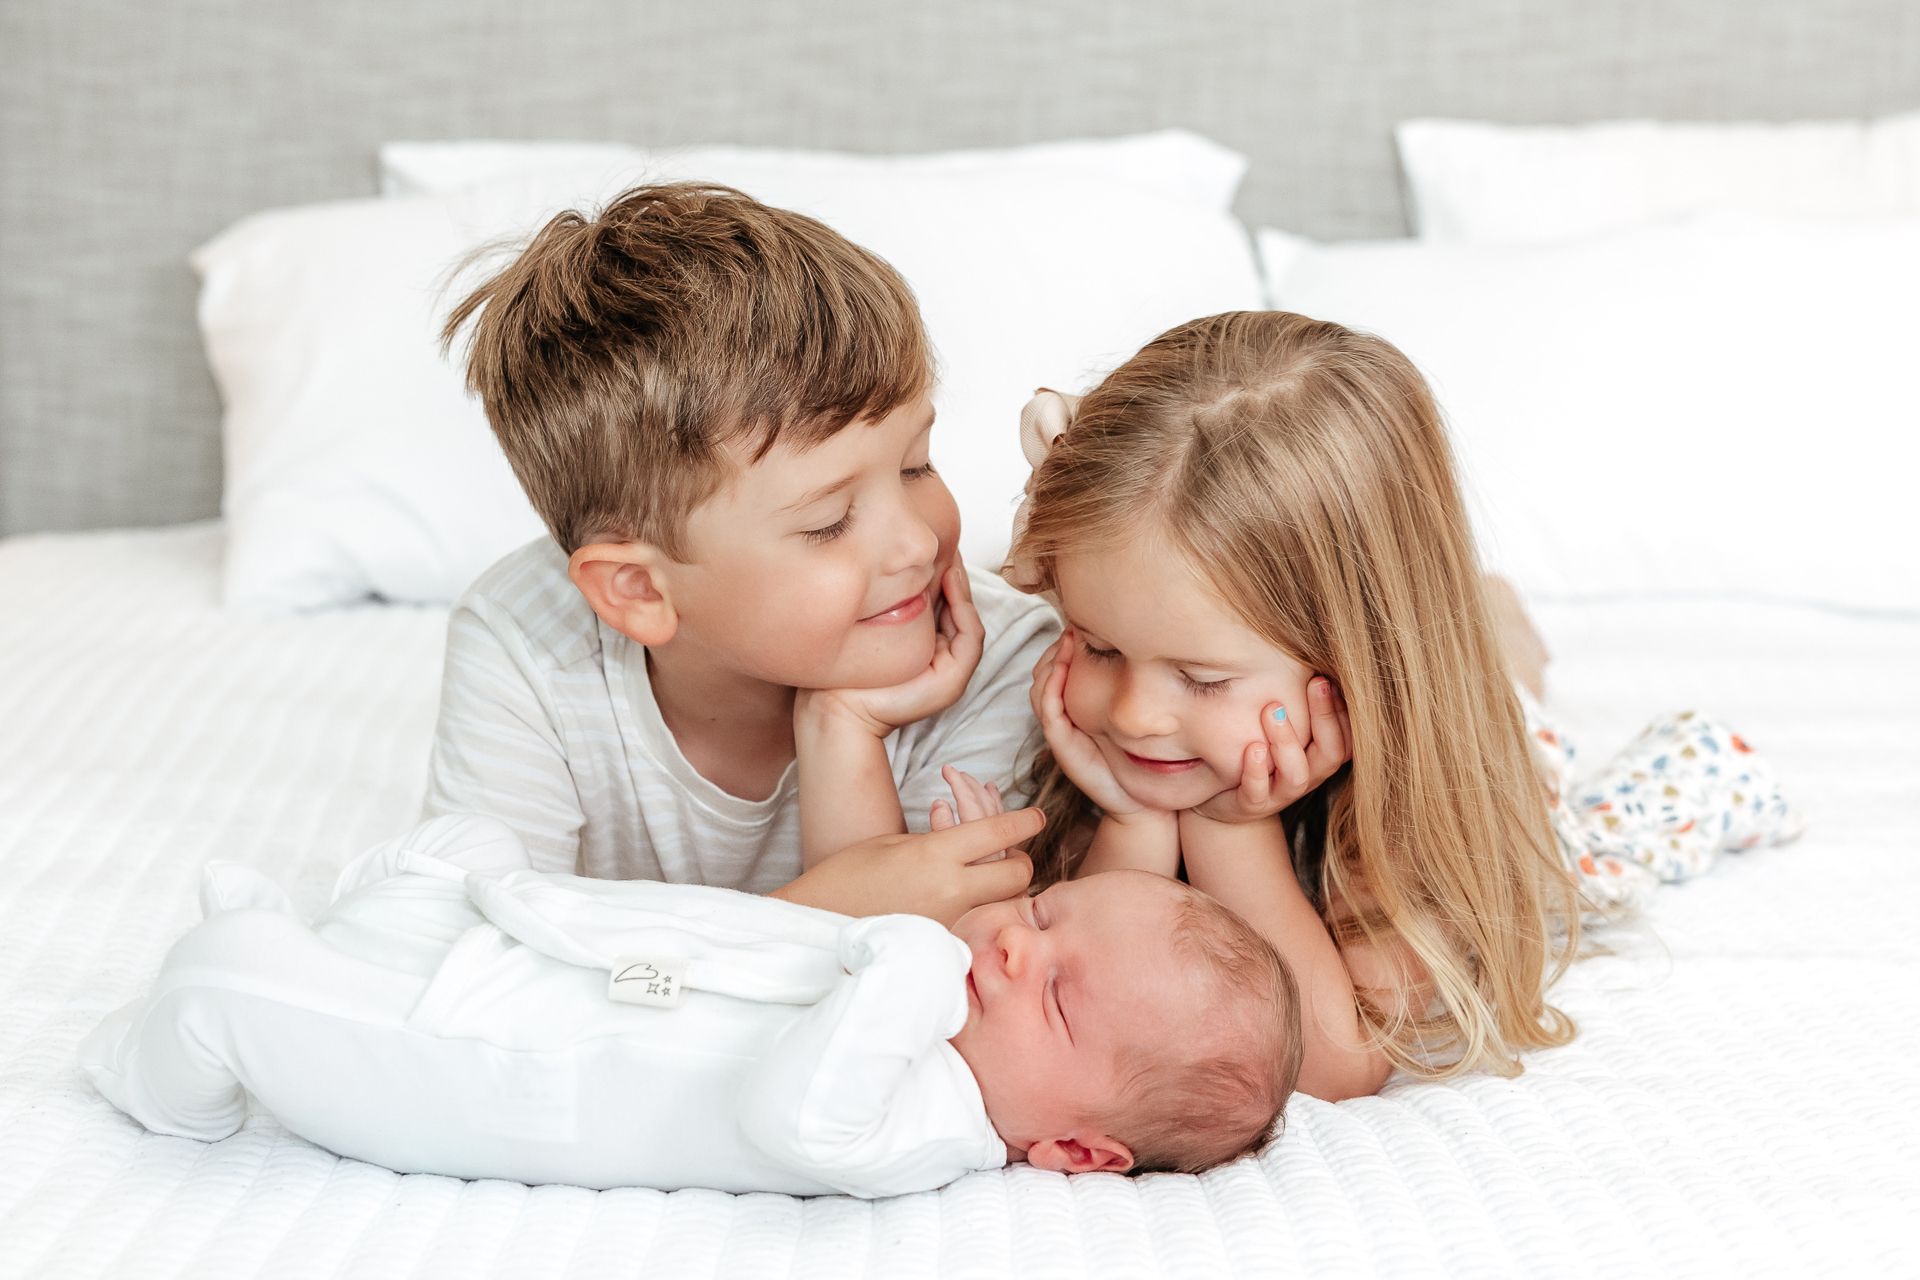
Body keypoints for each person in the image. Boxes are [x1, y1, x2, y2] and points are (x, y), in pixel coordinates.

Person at [1004, 310, 1802, 1101]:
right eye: (1097, 644)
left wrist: (1226, 825)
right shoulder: (1122, 740)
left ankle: (1501, 634)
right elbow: (1105, 986)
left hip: (1495, 747)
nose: (1135, 714)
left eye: (1204, 679)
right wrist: (1134, 817)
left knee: (1526, 721)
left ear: (1354, 668)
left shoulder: (1427, 810)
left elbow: (1334, 1064)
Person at [78, 796, 1301, 1198]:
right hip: (536, 946)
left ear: (1076, 1146)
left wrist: (913, 957)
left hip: (479, 1054)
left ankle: (169, 1071)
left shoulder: (935, 1122)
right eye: (1042, 916)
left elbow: (794, 1115)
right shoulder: (928, 995)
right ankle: (320, 935)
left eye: (1061, 1003)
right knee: (451, 844)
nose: (1010, 952)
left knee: (225, 975)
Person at [424, 182, 1058, 924]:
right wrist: (820, 905)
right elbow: (462, 956)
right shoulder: (525, 643)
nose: (918, 543)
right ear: (637, 590)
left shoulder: (1001, 662)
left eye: (916, 465)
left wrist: (841, 732)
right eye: (828, 522)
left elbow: (917, 991)